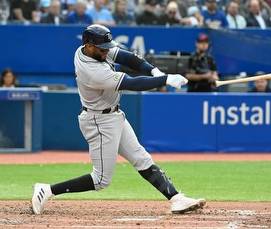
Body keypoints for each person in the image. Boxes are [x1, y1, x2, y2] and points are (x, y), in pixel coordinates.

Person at [31, 24, 205, 215]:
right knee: (100, 180)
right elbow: (132, 83)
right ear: (89, 46)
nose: (107, 51)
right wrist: (165, 80)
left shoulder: (89, 50)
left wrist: (154, 71)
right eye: (102, 48)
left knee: (141, 158)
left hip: (114, 115)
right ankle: (46, 190)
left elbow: (125, 56)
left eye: (107, 47)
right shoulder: (92, 72)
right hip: (99, 121)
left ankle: (177, 199)